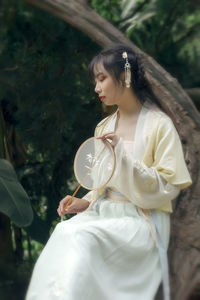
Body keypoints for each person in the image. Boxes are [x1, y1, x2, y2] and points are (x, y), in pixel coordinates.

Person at [25, 44, 192, 300]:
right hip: (103, 214)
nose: (96, 88)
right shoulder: (104, 126)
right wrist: (83, 202)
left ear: (124, 77)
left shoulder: (159, 125)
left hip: (141, 220)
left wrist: (124, 158)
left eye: (102, 78)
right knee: (64, 231)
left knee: (80, 236)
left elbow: (167, 187)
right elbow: (102, 183)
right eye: (96, 80)